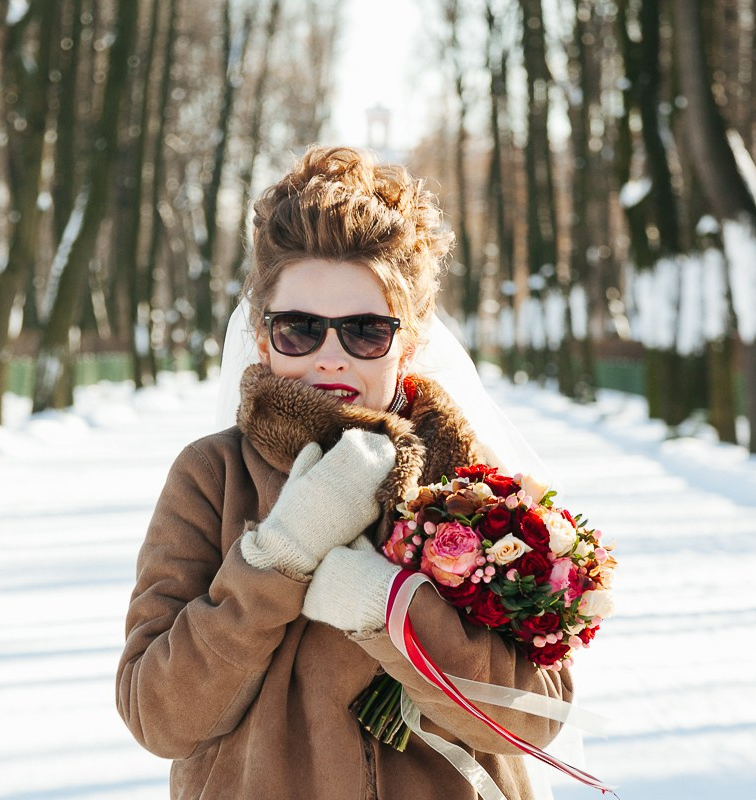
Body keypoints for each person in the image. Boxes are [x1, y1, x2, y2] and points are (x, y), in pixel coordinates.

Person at [116, 146, 573, 799]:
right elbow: (158, 715)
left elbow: (542, 714)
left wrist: (390, 609)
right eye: (300, 329)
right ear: (263, 333)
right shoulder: (210, 478)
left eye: (364, 331)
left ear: (408, 340)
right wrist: (277, 559)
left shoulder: (476, 486)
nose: (330, 358)